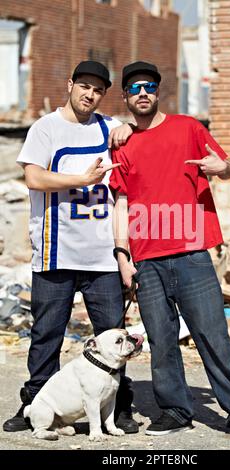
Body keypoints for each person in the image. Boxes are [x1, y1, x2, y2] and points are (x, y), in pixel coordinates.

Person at [109, 61, 230, 439]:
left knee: (212, 333)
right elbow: (120, 202)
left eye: (149, 87)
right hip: (147, 257)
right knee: (161, 339)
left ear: (158, 91)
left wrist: (225, 167)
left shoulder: (189, 128)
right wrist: (122, 256)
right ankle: (173, 410)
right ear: (125, 95)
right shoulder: (122, 142)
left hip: (191, 253)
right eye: (135, 88)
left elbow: (227, 166)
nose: (142, 93)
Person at [3, 60, 139, 434]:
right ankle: (34, 403)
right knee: (46, 334)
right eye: (84, 86)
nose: (90, 94)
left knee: (114, 335)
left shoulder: (109, 128)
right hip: (54, 251)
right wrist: (80, 178)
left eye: (98, 90)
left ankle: (120, 405)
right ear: (70, 85)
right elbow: (33, 176)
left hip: (101, 257)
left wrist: (128, 128)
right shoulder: (45, 128)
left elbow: (134, 146)